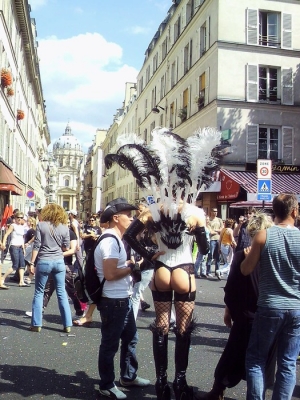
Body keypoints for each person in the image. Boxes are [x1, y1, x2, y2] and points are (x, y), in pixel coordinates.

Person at [104, 127, 220, 400]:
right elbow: (203, 249)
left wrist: (147, 255)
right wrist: (197, 231)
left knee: (161, 327)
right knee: (183, 329)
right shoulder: (194, 211)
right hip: (185, 271)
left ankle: (161, 383)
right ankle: (180, 382)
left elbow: (130, 236)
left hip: (160, 271)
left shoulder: (153, 210)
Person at [200, 213, 274, 400]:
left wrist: (229, 310)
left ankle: (218, 390)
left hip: (246, 316)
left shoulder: (244, 256)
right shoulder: (276, 256)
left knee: (233, 356)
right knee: (263, 362)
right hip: (271, 315)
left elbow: (231, 288)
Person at [241, 193, 300, 400]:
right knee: (288, 363)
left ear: (274, 212)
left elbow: (246, 270)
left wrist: (249, 256)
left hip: (269, 305)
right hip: (296, 308)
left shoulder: (263, 236)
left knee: (256, 359)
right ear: (294, 211)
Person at [95, 197, 150, 399]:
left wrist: (128, 264)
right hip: (113, 301)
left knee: (131, 338)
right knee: (110, 344)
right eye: (128, 215)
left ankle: (128, 376)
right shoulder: (110, 241)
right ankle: (107, 384)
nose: (131, 218)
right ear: (116, 218)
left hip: (122, 298)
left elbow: (114, 268)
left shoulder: (116, 239)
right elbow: (110, 274)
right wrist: (132, 267)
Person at [28, 204, 72, 333]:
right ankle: (67, 324)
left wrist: (31, 263)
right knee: (61, 292)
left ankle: (36, 324)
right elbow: (66, 248)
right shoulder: (64, 228)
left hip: (44, 261)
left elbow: (37, 246)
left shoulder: (41, 225)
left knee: (39, 292)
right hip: (59, 262)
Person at [0, 211, 28, 287]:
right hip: (14, 246)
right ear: (15, 218)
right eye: (18, 217)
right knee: (15, 265)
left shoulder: (22, 226)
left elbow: (22, 238)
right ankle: (2, 278)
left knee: (22, 265)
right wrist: (3, 243)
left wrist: (23, 248)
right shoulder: (13, 225)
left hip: (20, 247)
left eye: (21, 218)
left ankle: (21, 281)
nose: (19, 219)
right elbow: (6, 235)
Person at [205, 208, 223, 277]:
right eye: (214, 211)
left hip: (218, 239)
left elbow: (222, 228)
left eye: (216, 211)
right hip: (212, 240)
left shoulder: (219, 220)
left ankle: (217, 271)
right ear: (211, 212)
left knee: (218, 257)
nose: (215, 213)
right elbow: (210, 232)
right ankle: (208, 271)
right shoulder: (208, 220)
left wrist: (215, 230)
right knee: (210, 256)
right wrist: (217, 231)